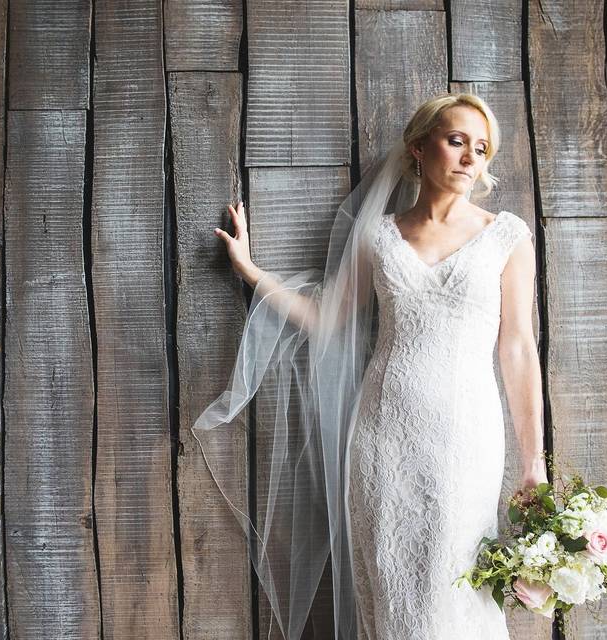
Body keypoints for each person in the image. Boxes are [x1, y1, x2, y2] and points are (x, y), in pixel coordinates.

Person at [193, 93, 548, 639]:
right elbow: (327, 318)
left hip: (466, 436)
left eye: (481, 149)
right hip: (383, 435)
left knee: (457, 586)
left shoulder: (507, 236)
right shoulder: (379, 236)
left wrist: (533, 464)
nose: (470, 158)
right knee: (391, 587)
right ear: (418, 148)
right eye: (456, 141)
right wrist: (251, 271)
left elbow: (518, 348)